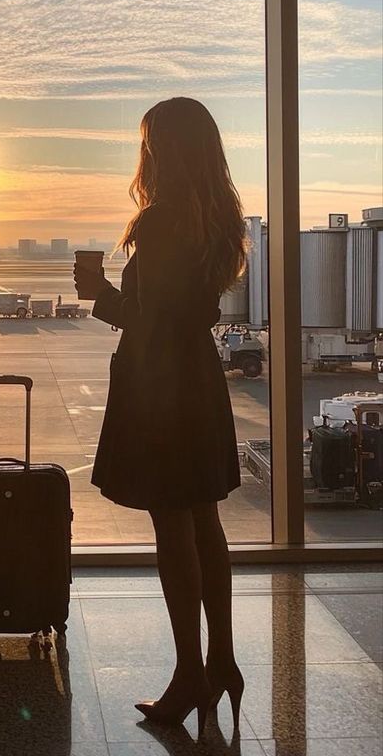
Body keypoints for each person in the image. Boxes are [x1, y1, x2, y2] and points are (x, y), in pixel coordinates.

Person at [73, 97, 246, 736]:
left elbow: (152, 322)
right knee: (204, 519)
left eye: (149, 142)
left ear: (165, 150)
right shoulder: (219, 220)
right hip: (196, 379)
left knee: (173, 525)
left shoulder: (161, 222)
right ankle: (221, 659)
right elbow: (187, 314)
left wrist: (101, 297)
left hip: (161, 386)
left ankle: (189, 674)